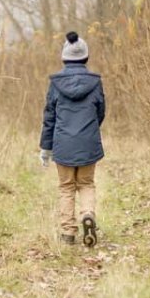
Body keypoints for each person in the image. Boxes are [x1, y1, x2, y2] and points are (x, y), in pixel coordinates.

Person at [39, 31, 106, 247]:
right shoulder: (95, 83)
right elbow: (100, 112)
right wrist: (90, 131)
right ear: (86, 57)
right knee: (86, 183)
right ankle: (88, 214)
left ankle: (68, 233)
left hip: (63, 144)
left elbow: (49, 117)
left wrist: (45, 149)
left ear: (64, 58)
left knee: (66, 187)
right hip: (88, 144)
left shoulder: (56, 85)